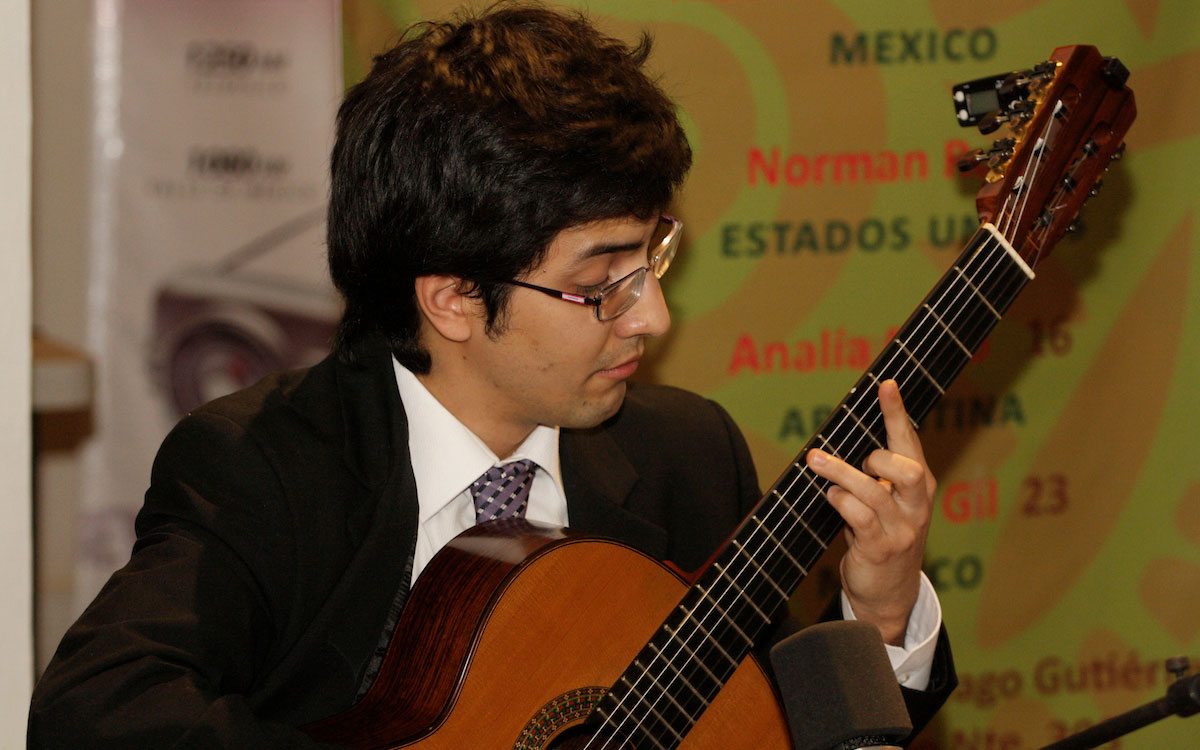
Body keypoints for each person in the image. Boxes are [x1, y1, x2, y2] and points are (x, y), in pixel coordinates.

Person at [29, 3, 955, 747]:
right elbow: (96, 711)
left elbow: (779, 726)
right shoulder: (266, 466)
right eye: (599, 287)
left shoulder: (683, 454)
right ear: (454, 302)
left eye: (653, 261)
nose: (654, 319)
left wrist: (880, 616)